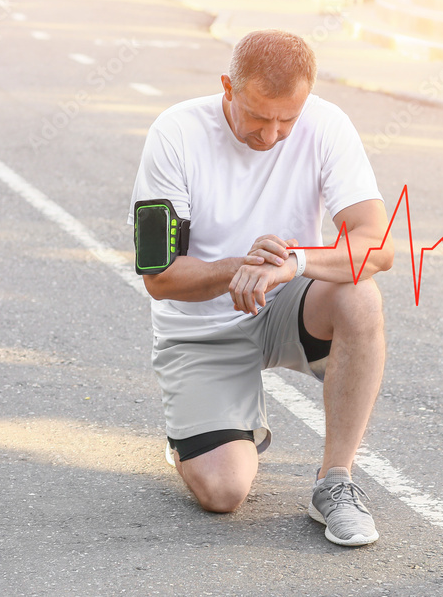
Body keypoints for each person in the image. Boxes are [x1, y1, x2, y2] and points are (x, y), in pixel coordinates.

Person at [127, 29, 394, 547]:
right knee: (224, 493)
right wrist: (239, 268)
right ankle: (195, 438)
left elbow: (377, 245)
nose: (271, 135)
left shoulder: (328, 125)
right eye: (258, 116)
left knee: (359, 293)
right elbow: (159, 279)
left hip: (288, 305)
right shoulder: (174, 133)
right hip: (201, 329)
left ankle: (335, 483)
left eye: (287, 120)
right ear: (228, 87)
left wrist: (292, 263)